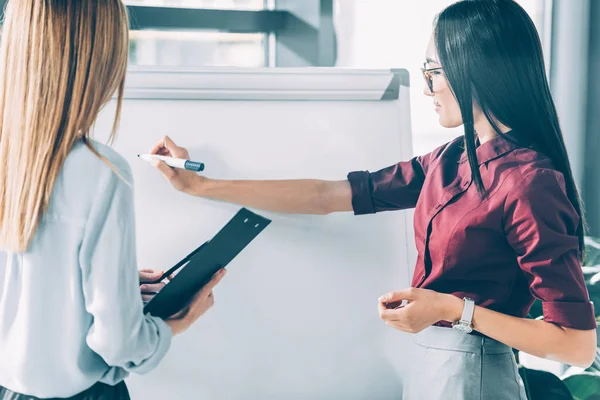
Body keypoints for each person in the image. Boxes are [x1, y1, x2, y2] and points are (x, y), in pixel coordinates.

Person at [148, 1, 597, 399]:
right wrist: (203, 186)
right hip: (429, 366)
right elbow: (328, 195)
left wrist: (451, 309)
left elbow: (574, 344)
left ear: (476, 70)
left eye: (433, 72)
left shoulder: (530, 181)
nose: (427, 87)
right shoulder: (451, 159)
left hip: (473, 375)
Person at [0, 1, 225, 399]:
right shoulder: (101, 174)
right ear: (102, 58)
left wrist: (102, 283)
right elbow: (119, 343)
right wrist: (176, 324)